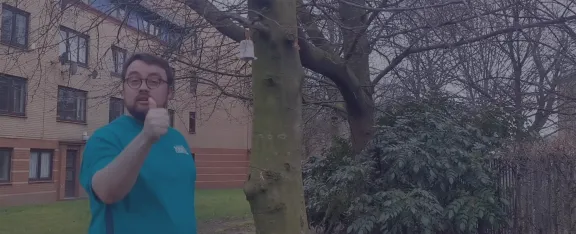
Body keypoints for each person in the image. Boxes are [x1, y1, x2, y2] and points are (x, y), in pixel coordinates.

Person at [80, 53, 197, 234]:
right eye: (134, 80)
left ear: (170, 92)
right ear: (123, 89)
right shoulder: (105, 138)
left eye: (154, 81)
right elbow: (106, 191)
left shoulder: (178, 140)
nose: (143, 87)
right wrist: (145, 137)